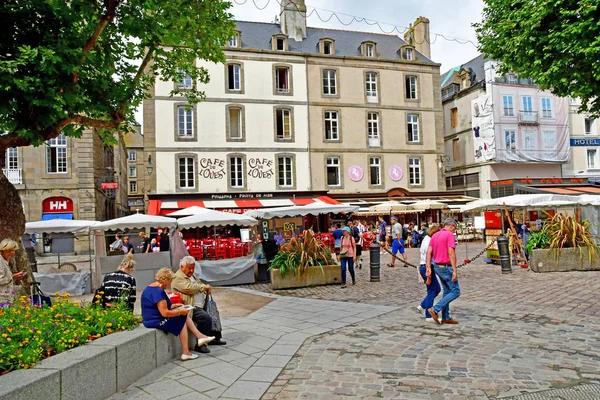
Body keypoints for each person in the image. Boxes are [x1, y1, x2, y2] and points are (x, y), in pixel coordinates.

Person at [141, 268, 215, 361]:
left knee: (183, 314)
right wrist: (180, 312)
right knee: (182, 317)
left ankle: (199, 337)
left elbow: (157, 306)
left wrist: (174, 306)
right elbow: (165, 313)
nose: (169, 284)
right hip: (155, 321)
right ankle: (186, 351)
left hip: (150, 319)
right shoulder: (158, 292)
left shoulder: (150, 288)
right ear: (166, 280)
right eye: (170, 281)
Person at [171, 256, 227, 354]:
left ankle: (215, 338)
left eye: (193, 268)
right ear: (182, 267)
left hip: (201, 303)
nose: (192, 270)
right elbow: (189, 288)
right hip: (190, 306)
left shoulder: (192, 275)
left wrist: (206, 289)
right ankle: (201, 345)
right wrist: (203, 287)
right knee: (205, 318)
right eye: (189, 268)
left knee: (213, 313)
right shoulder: (177, 277)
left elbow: (199, 283)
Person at [426, 218, 460, 325]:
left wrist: (428, 266)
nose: (454, 230)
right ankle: (436, 309)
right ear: (451, 226)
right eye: (455, 228)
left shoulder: (435, 235)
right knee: (455, 291)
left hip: (437, 266)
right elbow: (451, 252)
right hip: (446, 266)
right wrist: (454, 269)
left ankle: (446, 317)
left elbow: (429, 252)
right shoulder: (449, 235)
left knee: (446, 291)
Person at [417, 225, 441, 322]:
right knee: (431, 291)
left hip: (425, 266)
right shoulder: (429, 241)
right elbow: (429, 256)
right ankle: (428, 315)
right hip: (427, 267)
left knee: (437, 289)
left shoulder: (426, 239)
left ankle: (422, 305)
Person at [0, 239, 27, 304]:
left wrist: (15, 276)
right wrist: (13, 276)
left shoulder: (4, 261)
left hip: (5, 297)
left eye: (13, 251)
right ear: (5, 250)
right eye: (10, 251)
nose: (12, 253)